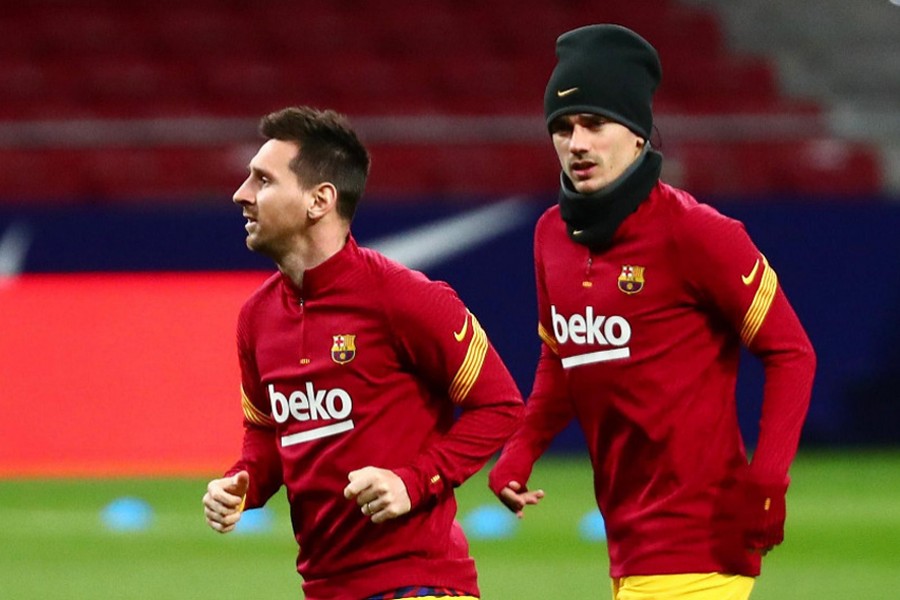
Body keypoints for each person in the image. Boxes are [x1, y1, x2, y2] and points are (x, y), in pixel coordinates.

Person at [488, 24, 816, 599]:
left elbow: (791, 352)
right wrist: (520, 449)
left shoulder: (698, 234)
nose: (577, 143)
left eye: (594, 123)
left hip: (700, 541)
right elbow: (561, 357)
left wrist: (768, 481)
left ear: (637, 135)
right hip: (628, 541)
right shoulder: (550, 237)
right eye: (562, 128)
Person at [202, 106, 524, 600]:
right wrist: (244, 481)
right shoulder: (257, 317)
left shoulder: (406, 298)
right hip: (325, 588)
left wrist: (413, 482)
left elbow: (499, 406)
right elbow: (266, 432)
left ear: (319, 200)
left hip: (421, 584)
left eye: (262, 181)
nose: (241, 195)